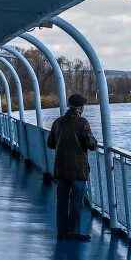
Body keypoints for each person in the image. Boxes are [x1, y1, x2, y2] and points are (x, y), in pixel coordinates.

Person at [46, 93, 98, 241]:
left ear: (69, 106)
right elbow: (90, 143)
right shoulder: (82, 123)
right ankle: (73, 232)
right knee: (76, 202)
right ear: (81, 108)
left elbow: (50, 143)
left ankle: (61, 231)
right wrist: (95, 142)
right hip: (77, 170)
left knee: (62, 201)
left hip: (61, 168)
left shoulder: (57, 122)